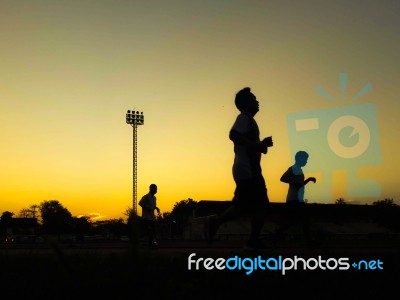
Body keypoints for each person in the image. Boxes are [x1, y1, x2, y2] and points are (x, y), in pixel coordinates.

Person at [205, 87, 273, 249]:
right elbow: (233, 135)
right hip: (247, 169)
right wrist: (257, 145)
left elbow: (248, 144)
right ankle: (252, 241)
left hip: (246, 168)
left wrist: (261, 145)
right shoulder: (243, 118)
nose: (257, 101)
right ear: (246, 103)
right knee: (261, 205)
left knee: (243, 206)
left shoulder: (249, 120)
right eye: (254, 98)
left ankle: (216, 222)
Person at [272, 150, 316, 245]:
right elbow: (282, 178)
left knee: (296, 220)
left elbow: (300, 185)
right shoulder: (293, 168)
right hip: (293, 199)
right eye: (305, 159)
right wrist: (294, 182)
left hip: (297, 199)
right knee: (302, 219)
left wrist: (308, 179)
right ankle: (309, 241)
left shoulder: (299, 170)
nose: (306, 161)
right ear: (299, 159)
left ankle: (277, 234)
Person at [139, 183, 160, 248]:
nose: (156, 191)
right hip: (146, 218)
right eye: (155, 189)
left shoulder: (154, 198)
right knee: (147, 232)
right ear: (151, 189)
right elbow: (140, 203)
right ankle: (144, 244)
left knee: (153, 231)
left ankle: (150, 244)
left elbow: (153, 206)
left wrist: (156, 208)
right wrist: (147, 208)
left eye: (156, 189)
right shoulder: (146, 197)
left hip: (152, 218)